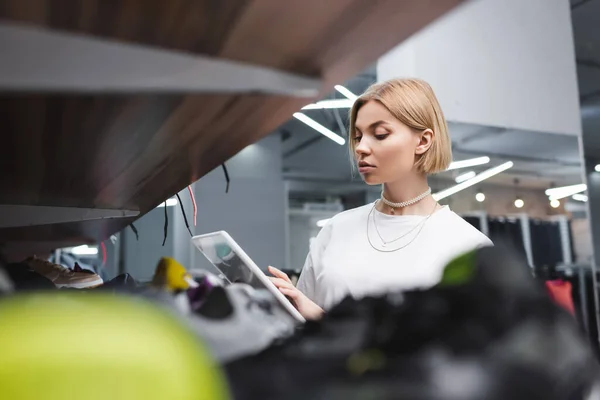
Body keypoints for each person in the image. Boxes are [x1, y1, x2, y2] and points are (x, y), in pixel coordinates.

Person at [269, 78, 493, 320]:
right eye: (357, 136)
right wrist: (292, 302)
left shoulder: (468, 246)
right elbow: (307, 333)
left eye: (380, 134)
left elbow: (470, 349)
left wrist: (321, 318)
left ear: (423, 141)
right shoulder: (336, 229)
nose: (361, 148)